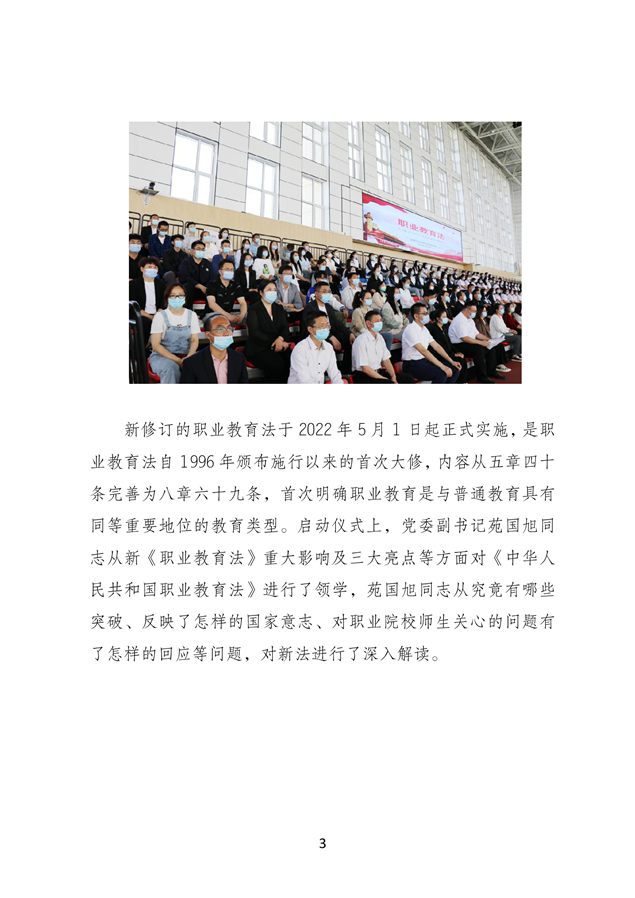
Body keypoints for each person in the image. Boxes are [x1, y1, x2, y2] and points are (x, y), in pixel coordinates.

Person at [148, 283, 200, 383]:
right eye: (173, 295)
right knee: (171, 368)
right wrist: (179, 361)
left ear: (185, 297)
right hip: (162, 356)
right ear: (167, 298)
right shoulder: (160, 316)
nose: (177, 298)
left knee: (202, 366)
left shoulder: (192, 315)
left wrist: (188, 358)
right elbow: (155, 345)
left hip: (187, 355)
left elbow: (194, 340)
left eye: (180, 295)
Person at [245, 280, 293, 383]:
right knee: (276, 363)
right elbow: (255, 332)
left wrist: (280, 340)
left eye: (274, 290)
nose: (273, 292)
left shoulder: (279, 308)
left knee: (290, 358)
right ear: (261, 293)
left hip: (278, 344)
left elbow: (285, 328)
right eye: (269, 290)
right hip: (258, 348)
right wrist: (274, 343)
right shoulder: (254, 309)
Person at [180, 313, 248, 384]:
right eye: (220, 329)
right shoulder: (192, 363)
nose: (226, 333)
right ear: (208, 335)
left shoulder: (239, 358)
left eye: (229, 328)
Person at [401, 303, 461, 383]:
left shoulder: (424, 329)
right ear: (416, 316)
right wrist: (442, 366)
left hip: (424, 361)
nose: (427, 315)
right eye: (424, 313)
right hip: (412, 364)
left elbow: (436, 346)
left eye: (427, 313)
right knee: (441, 374)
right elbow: (423, 351)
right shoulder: (410, 329)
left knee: (454, 369)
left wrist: (451, 361)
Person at [448, 301, 506, 383]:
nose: (475, 313)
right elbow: (465, 338)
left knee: (490, 345)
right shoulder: (459, 320)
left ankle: (491, 371)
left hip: (469, 342)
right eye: (474, 311)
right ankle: (482, 376)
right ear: (467, 310)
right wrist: (481, 343)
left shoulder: (470, 319)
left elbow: (477, 334)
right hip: (459, 345)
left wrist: (489, 340)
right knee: (479, 349)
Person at [301, 282, 353, 373]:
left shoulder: (328, 307)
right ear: (316, 294)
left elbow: (337, 323)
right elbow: (313, 328)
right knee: (328, 345)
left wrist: (350, 333)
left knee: (349, 341)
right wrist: (331, 337)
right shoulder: (310, 308)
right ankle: (326, 372)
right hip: (316, 336)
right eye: (324, 291)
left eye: (328, 291)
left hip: (329, 333)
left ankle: (345, 371)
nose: (327, 294)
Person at [351, 311, 416, 384]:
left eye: (380, 320)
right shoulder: (361, 340)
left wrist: (393, 377)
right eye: (377, 321)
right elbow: (365, 368)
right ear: (368, 324)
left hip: (378, 372)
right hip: (364, 375)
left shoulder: (380, 337)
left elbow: (386, 360)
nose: (380, 323)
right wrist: (385, 379)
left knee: (408, 378)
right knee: (389, 383)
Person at [288, 311, 345, 385]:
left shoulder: (328, 347)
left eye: (327, 325)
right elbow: (305, 381)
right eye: (321, 326)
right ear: (310, 329)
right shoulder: (300, 349)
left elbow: (335, 375)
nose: (326, 329)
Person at [129, 256, 166, 345]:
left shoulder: (161, 284)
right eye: (149, 267)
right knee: (145, 322)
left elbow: (163, 302)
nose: (152, 269)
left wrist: (158, 314)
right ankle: (142, 350)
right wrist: (150, 317)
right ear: (142, 269)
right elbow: (134, 305)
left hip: (157, 314)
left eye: (155, 267)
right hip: (141, 315)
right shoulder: (133, 284)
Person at [426, 306, 468, 383]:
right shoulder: (434, 330)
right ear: (438, 319)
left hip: (448, 352)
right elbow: (440, 346)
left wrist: (457, 352)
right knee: (459, 360)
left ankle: (463, 381)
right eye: (444, 317)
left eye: (446, 316)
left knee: (462, 357)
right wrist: (453, 355)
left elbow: (449, 343)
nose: (446, 318)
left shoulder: (444, 328)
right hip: (440, 354)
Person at [206, 258, 247, 325]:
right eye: (227, 269)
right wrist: (228, 316)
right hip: (213, 314)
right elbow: (212, 304)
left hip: (230, 313)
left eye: (232, 270)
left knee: (250, 316)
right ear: (220, 271)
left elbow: (242, 302)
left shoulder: (236, 285)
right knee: (219, 321)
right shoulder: (212, 284)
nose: (230, 271)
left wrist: (241, 315)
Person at [475, 304, 510, 373]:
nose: (485, 312)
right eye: (483, 311)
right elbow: (480, 333)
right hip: (482, 340)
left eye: (485, 311)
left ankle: (499, 364)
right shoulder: (477, 321)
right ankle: (497, 365)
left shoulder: (484, 320)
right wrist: (488, 339)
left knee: (499, 345)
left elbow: (488, 331)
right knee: (496, 346)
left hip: (488, 338)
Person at [178, 240, 214, 307]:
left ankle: (210, 312)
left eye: (203, 249)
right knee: (187, 286)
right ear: (192, 251)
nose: (201, 251)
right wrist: (199, 286)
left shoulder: (207, 263)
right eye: (198, 249)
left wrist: (208, 288)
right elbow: (184, 277)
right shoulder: (186, 262)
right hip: (191, 290)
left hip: (205, 290)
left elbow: (213, 277)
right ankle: (187, 311)